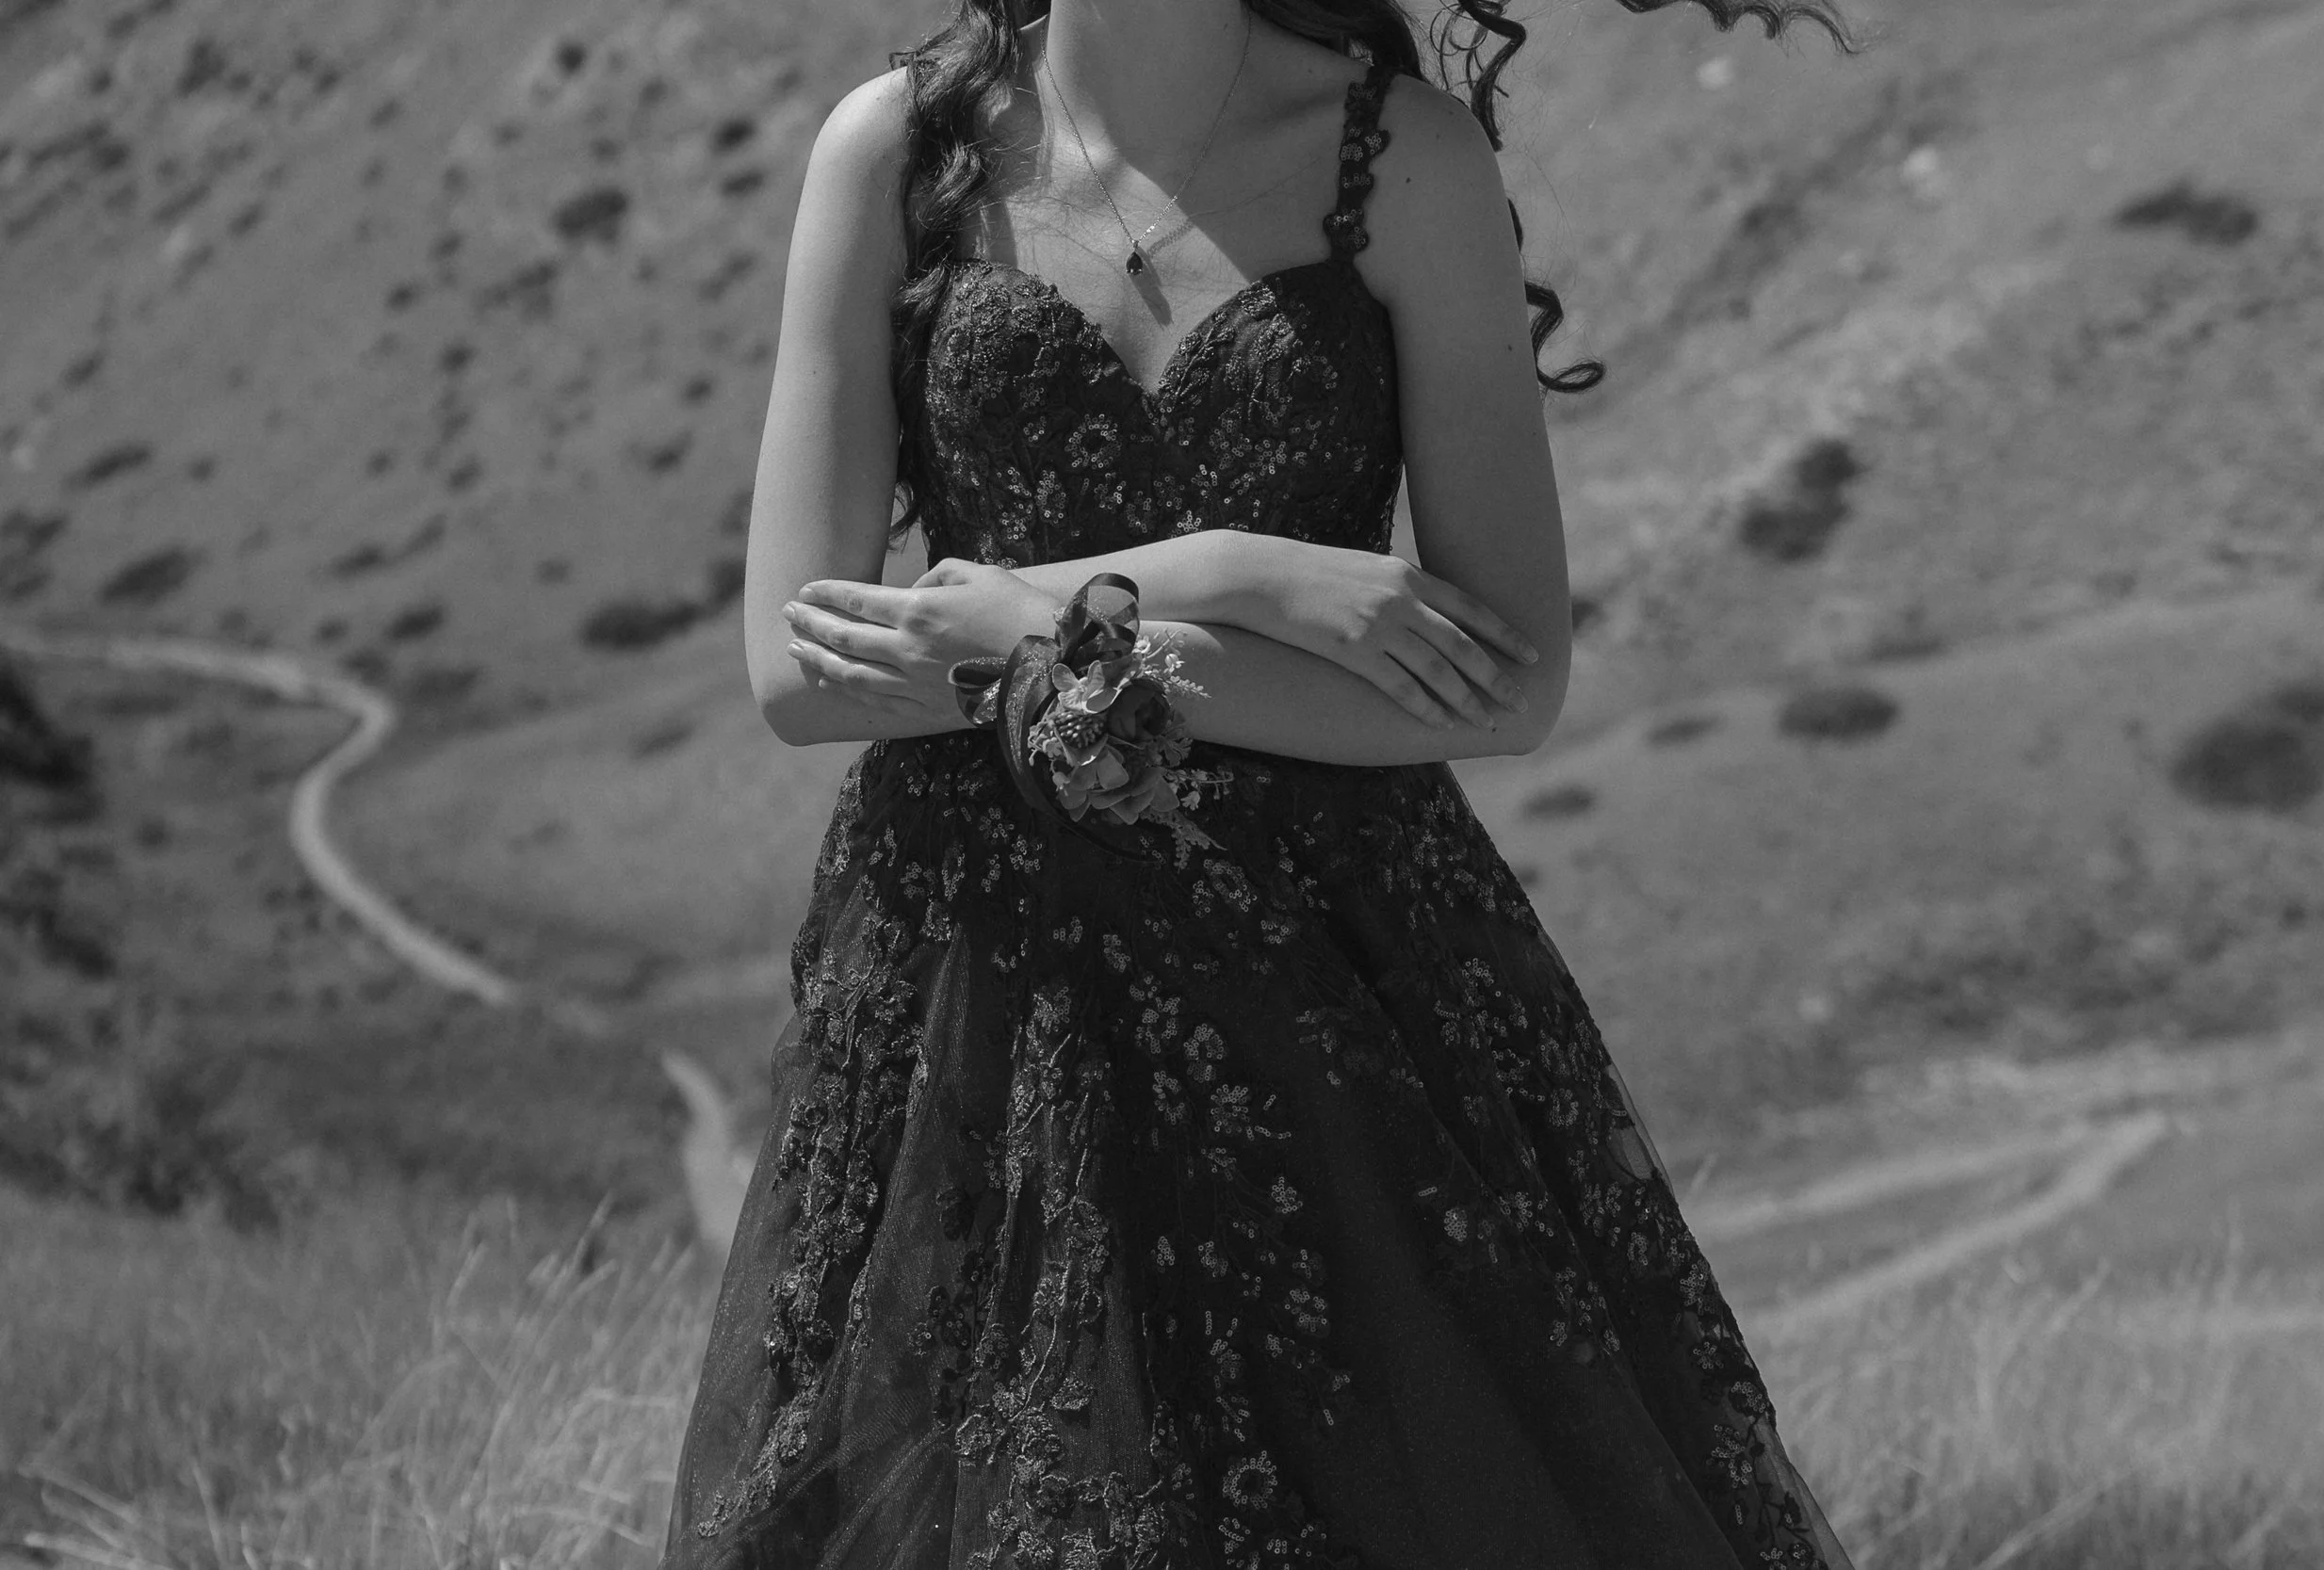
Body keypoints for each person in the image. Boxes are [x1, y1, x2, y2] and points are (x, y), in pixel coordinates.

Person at [663, 2, 1859, 1565]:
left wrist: (1045, 618)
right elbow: (800, 669)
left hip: (1339, 991)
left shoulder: (1403, 161)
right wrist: (1245, 577)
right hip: (980, 1000)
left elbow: (1508, 682)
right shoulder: (894, 153)